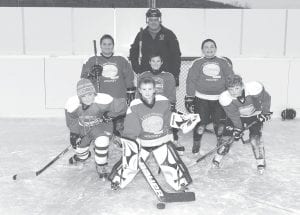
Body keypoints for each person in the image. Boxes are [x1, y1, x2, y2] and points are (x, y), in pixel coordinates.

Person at [108, 77, 192, 191]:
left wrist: (183, 120)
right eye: (144, 89)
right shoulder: (135, 105)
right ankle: (118, 181)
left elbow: (168, 118)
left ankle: (180, 184)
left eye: (150, 89)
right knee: (131, 162)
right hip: (143, 142)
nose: (147, 92)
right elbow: (132, 125)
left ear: (154, 89)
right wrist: (131, 140)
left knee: (170, 163)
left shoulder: (163, 101)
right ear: (139, 90)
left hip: (161, 140)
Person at [65, 78, 127, 179]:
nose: (88, 98)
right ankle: (82, 156)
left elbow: (123, 106)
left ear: (94, 93)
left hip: (100, 126)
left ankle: (101, 165)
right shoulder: (72, 105)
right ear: (79, 97)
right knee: (81, 151)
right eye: (84, 96)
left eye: (90, 94)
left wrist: (110, 115)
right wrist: (74, 133)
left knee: (102, 141)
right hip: (83, 128)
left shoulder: (103, 100)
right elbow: (72, 120)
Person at [214, 74, 272, 174]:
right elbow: (234, 115)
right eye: (230, 89)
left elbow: (266, 98)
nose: (234, 92)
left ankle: (260, 162)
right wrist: (238, 129)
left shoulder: (253, 88)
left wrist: (265, 112)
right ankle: (217, 158)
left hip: (254, 115)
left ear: (242, 86)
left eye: (237, 88)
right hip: (238, 117)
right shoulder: (225, 98)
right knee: (226, 139)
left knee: (255, 139)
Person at [185, 38, 234, 154]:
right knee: (201, 124)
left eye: (212, 47)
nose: (209, 49)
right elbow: (191, 80)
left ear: (216, 49)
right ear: (202, 50)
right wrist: (190, 96)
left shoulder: (223, 62)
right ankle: (196, 143)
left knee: (220, 123)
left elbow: (230, 78)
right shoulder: (197, 62)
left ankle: (220, 142)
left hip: (219, 99)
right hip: (201, 99)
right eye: (206, 47)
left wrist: (231, 94)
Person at [81, 34, 135, 137]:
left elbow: (129, 77)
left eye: (109, 44)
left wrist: (130, 92)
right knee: (103, 132)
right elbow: (83, 79)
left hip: (118, 99)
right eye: (104, 44)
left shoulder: (121, 60)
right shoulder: (93, 60)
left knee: (120, 130)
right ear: (100, 46)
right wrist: (92, 73)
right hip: (100, 101)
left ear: (113, 45)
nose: (107, 46)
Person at [138, 53, 184, 154]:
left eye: (158, 61)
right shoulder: (144, 75)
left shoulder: (168, 76)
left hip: (162, 106)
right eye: (153, 61)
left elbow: (171, 94)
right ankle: (145, 141)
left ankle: (174, 140)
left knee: (173, 117)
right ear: (149, 62)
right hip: (147, 105)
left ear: (162, 62)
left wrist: (170, 106)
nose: (155, 63)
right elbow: (139, 94)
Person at [129, 8, 181, 86]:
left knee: (165, 98)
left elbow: (176, 55)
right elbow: (133, 52)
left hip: (165, 74)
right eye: (151, 20)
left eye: (156, 19)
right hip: (146, 75)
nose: (153, 22)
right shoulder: (141, 35)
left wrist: (174, 74)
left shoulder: (168, 34)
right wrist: (138, 69)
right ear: (147, 20)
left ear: (160, 20)